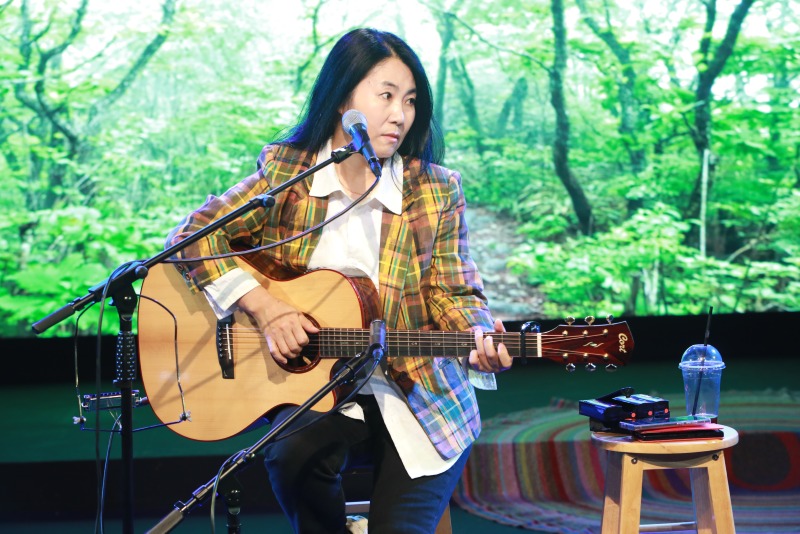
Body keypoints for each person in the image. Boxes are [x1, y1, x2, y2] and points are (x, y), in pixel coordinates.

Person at [167, 27, 512, 534]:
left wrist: (477, 334)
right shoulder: (288, 172)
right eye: (386, 96)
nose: (400, 115)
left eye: (410, 101)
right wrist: (265, 307)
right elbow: (191, 237)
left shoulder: (435, 189)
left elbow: (454, 291)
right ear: (342, 100)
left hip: (420, 397)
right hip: (319, 393)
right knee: (291, 453)